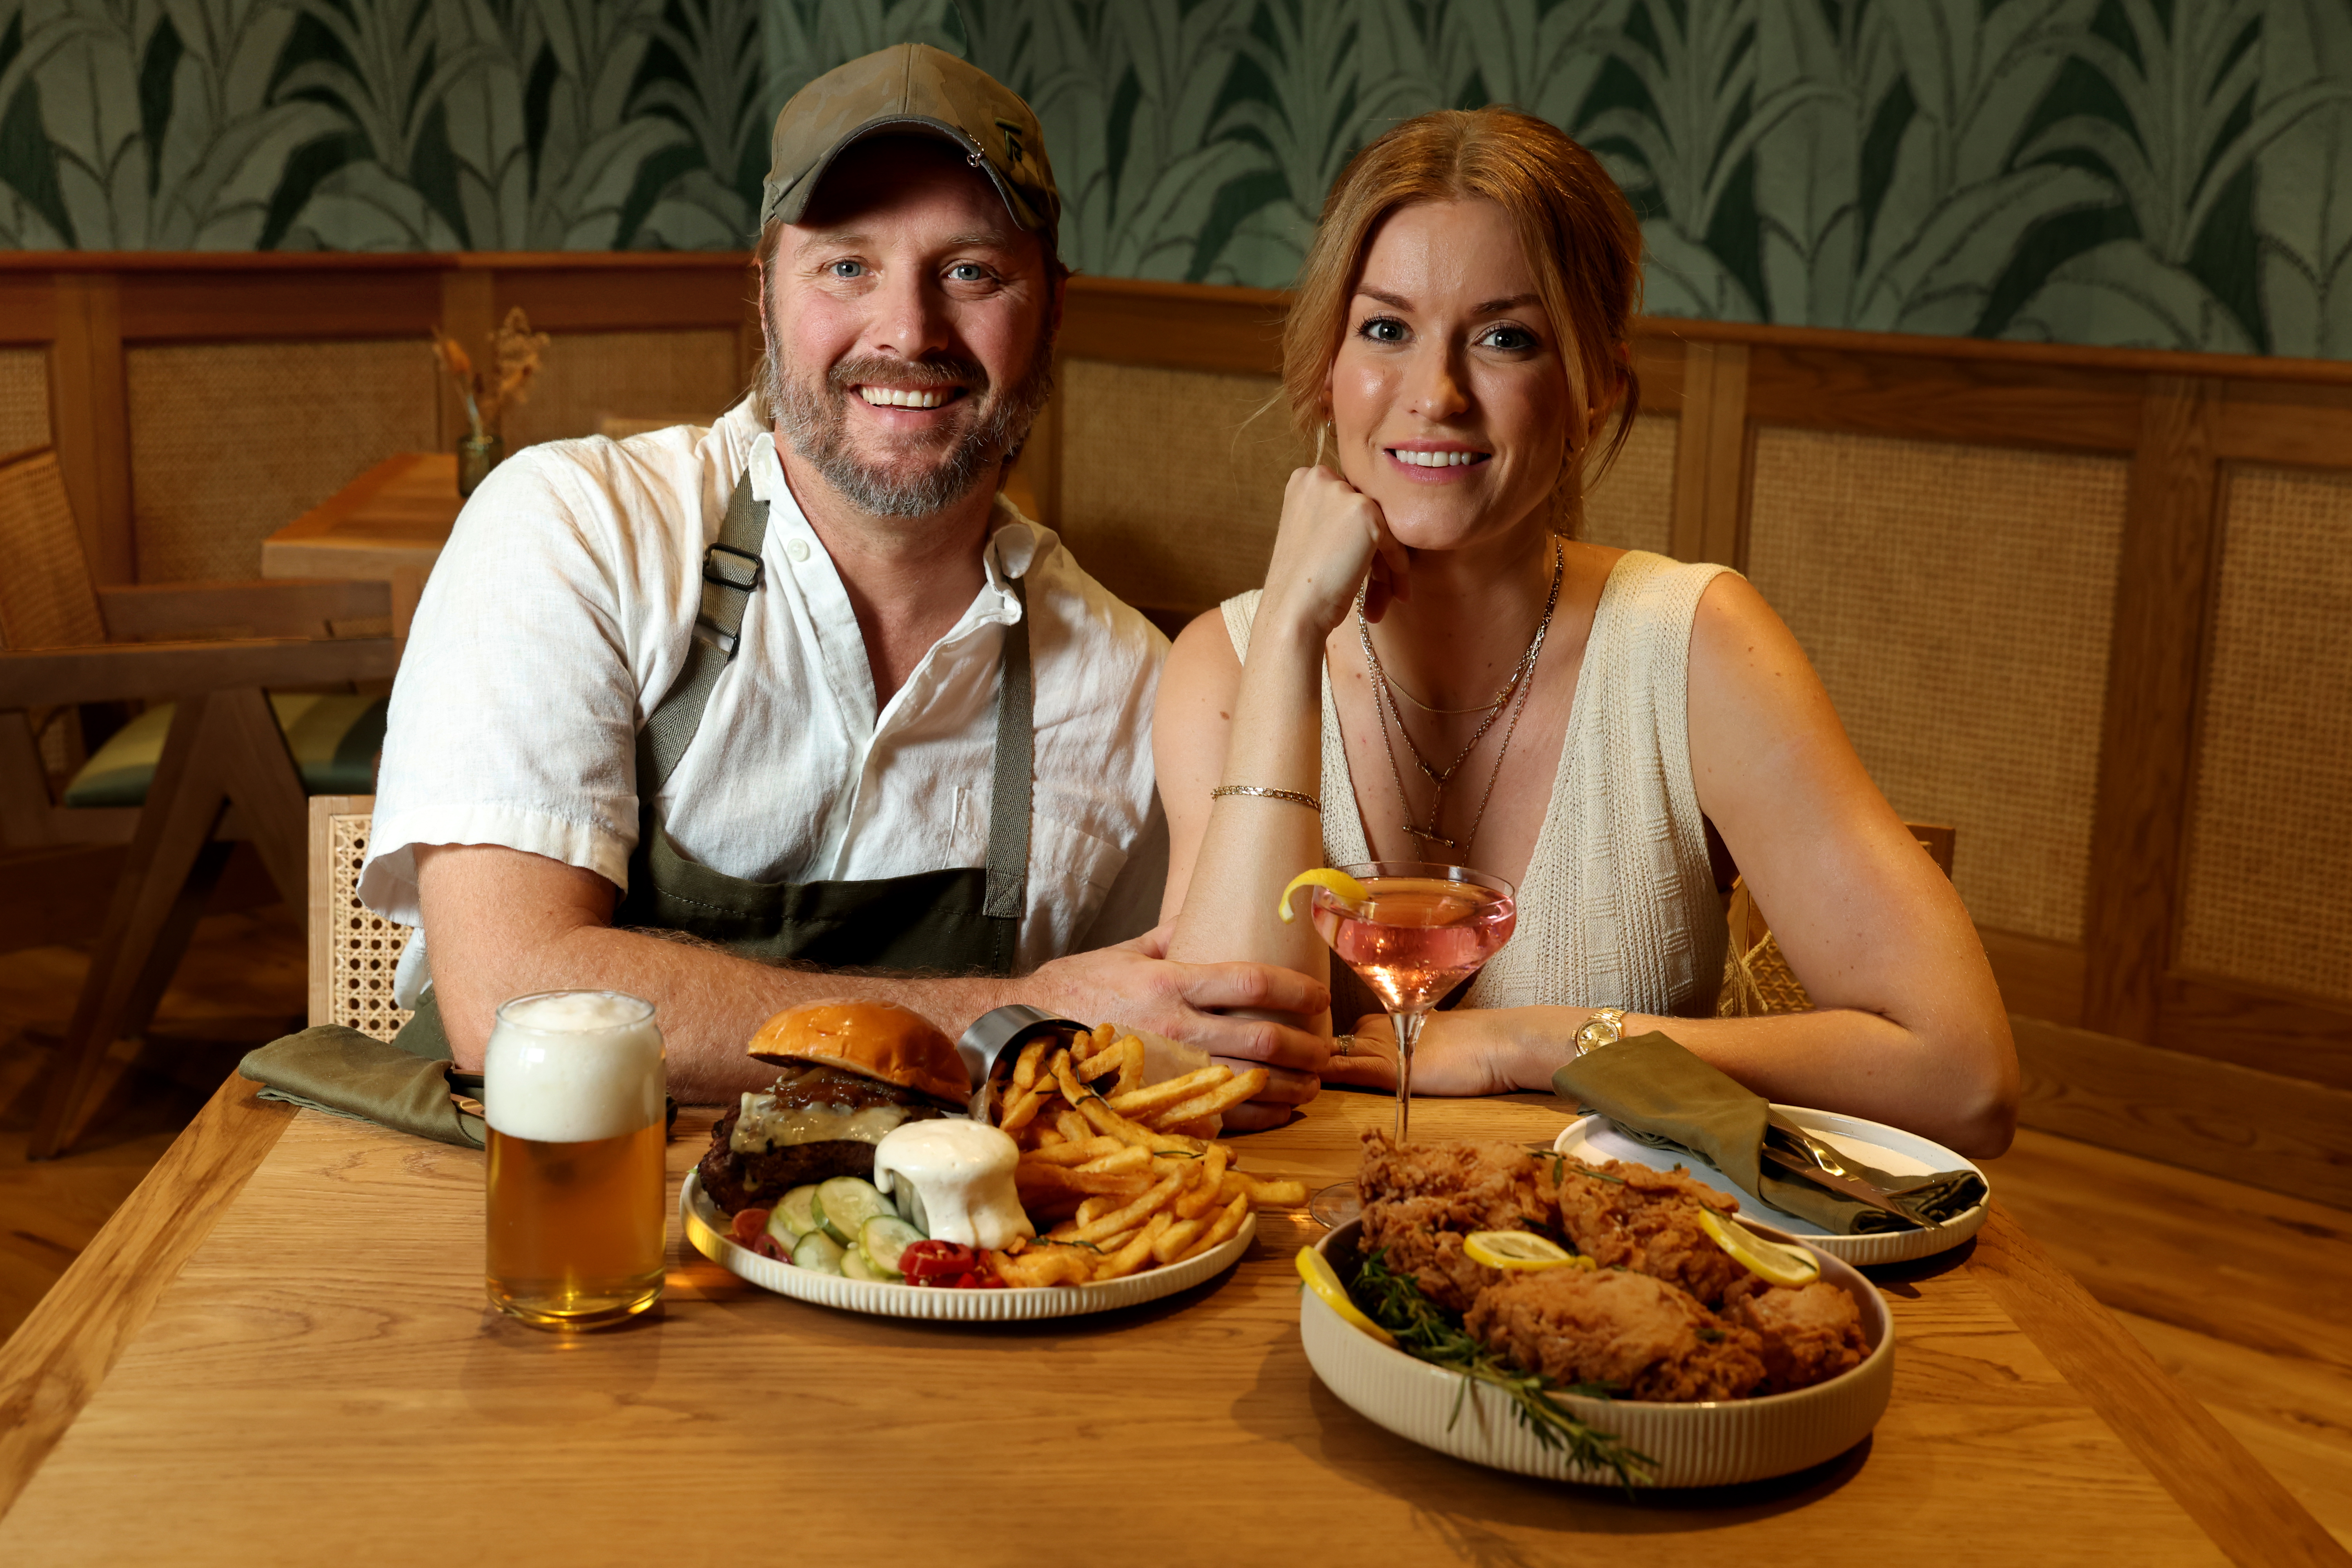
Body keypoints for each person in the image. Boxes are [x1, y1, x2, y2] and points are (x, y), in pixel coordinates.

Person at [361, 44, 1325, 1114]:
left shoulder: (1129, 683)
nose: (907, 332)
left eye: (970, 270)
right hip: (520, 1219)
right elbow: (515, 1002)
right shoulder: (576, 527)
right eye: (846, 266)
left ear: (1052, 308)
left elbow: (1205, 1040)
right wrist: (1010, 1022)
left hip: (923, 1264)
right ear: (764, 289)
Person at [1153, 108, 2016, 1157]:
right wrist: (1291, 633)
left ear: (1596, 385)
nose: (1436, 395)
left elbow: (1964, 1079)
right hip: (1292, 1279)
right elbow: (1223, 1078)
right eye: (1385, 329)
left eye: (1505, 338)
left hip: (1613, 1271)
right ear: (1325, 366)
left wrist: (1545, 1044)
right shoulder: (1230, 663)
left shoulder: (1695, 647)